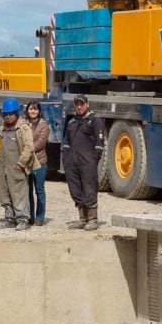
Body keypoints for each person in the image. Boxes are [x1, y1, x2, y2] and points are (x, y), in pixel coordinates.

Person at [61, 94, 105, 231]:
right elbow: (66, 142)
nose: (79, 107)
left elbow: (99, 143)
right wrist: (66, 159)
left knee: (89, 189)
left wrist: (93, 160)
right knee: (75, 189)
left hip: (87, 163)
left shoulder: (96, 121)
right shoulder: (72, 122)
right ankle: (82, 219)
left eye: (81, 104)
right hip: (72, 163)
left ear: (87, 104)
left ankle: (92, 220)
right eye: (77, 104)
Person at [0, 98, 39, 231]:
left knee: (19, 193)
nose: (8, 117)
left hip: (17, 166)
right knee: (4, 192)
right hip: (3, 167)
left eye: (11, 114)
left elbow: (29, 147)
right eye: (6, 114)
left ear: (16, 113)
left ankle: (22, 219)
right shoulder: (2, 129)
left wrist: (21, 164)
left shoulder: (23, 128)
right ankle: (9, 219)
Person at [26, 100, 50, 226]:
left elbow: (41, 143)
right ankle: (30, 216)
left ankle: (40, 217)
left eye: (35, 109)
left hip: (39, 162)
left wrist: (26, 150)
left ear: (39, 111)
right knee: (27, 190)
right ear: (27, 111)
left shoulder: (44, 125)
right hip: (27, 163)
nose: (33, 111)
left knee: (39, 190)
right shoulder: (24, 124)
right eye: (31, 109)